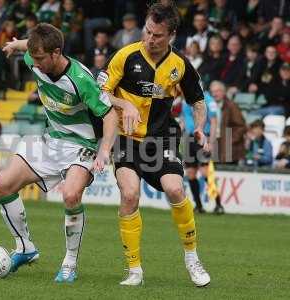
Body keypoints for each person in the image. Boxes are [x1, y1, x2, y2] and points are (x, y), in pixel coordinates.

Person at [0, 23, 118, 283]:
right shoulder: (35, 57)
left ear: (56, 53)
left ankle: (69, 264)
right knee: (2, 185)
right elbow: (27, 48)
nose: (34, 64)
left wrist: (104, 151)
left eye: (39, 58)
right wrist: (15, 44)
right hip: (51, 140)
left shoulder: (81, 79)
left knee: (71, 195)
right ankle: (25, 247)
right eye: (33, 57)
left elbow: (109, 115)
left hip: (81, 145)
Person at [99, 1, 210, 287]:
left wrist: (199, 127)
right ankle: (134, 269)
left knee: (175, 189)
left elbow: (197, 100)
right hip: (126, 139)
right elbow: (100, 92)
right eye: (147, 31)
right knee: (129, 195)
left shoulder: (180, 65)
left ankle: (192, 258)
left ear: (171, 34)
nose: (149, 38)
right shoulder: (125, 56)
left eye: (157, 35)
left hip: (162, 139)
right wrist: (125, 103)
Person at [181, 91, 225, 214]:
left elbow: (214, 121)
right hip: (189, 139)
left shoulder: (208, 100)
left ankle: (218, 204)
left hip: (203, 138)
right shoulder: (186, 99)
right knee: (190, 173)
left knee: (205, 173)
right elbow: (184, 119)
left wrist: (211, 142)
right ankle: (199, 206)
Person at [209, 80, 247, 164]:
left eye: (217, 91)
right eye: (213, 92)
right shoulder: (209, 106)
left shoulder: (231, 106)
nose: (215, 94)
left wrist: (230, 140)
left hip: (229, 148)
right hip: (214, 143)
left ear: (223, 92)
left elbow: (241, 126)